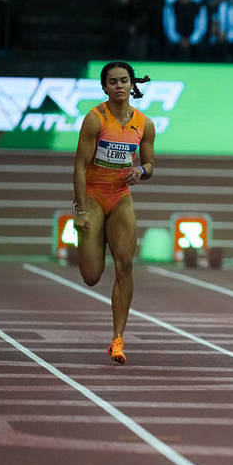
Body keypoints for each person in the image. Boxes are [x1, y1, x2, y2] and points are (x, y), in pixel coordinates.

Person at [72, 62, 157, 364]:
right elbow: (79, 166)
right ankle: (91, 236)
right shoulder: (95, 119)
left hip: (121, 197)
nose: (119, 86)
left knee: (125, 265)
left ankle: (117, 339)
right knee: (91, 276)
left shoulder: (145, 124)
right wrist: (81, 208)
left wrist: (140, 171)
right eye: (113, 81)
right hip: (94, 196)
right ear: (104, 87)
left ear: (132, 85)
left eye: (124, 80)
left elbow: (150, 165)